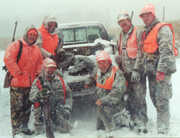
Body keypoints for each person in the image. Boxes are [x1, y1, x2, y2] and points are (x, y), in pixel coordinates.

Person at [138, 4, 177, 134]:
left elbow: (166, 52)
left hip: (161, 71)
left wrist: (161, 71)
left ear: (153, 15)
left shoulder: (162, 29)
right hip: (151, 71)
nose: (145, 18)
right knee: (154, 97)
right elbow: (144, 52)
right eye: (143, 16)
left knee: (161, 99)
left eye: (147, 15)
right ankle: (163, 122)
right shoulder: (146, 31)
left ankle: (163, 130)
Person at [4, 25, 43, 137]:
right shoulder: (17, 44)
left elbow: (39, 63)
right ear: (26, 34)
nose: (32, 37)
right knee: (17, 108)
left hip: (30, 84)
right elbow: (8, 58)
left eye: (34, 35)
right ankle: (16, 130)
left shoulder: (36, 49)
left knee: (27, 107)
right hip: (17, 83)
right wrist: (17, 72)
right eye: (31, 35)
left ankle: (24, 127)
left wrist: (38, 74)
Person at [115, 12, 148, 133]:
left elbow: (141, 52)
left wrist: (136, 69)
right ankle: (134, 119)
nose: (123, 24)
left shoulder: (138, 32)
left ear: (129, 21)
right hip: (126, 73)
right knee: (130, 98)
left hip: (137, 72)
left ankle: (143, 122)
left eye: (125, 21)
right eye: (120, 22)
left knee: (139, 97)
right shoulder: (120, 35)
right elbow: (120, 51)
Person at [29, 58, 73, 135]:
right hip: (42, 112)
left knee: (66, 130)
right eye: (48, 68)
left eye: (53, 68)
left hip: (57, 109)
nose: (50, 71)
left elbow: (69, 95)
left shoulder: (61, 81)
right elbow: (31, 97)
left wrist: (67, 107)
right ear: (43, 69)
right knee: (41, 133)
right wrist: (39, 94)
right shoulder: (38, 82)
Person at [95, 50, 131, 133]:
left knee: (103, 108)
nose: (102, 65)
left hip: (116, 103)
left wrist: (102, 100)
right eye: (99, 63)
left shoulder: (117, 74)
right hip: (104, 103)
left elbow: (117, 93)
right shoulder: (99, 72)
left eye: (104, 62)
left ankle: (111, 131)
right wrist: (89, 81)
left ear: (109, 62)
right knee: (99, 127)